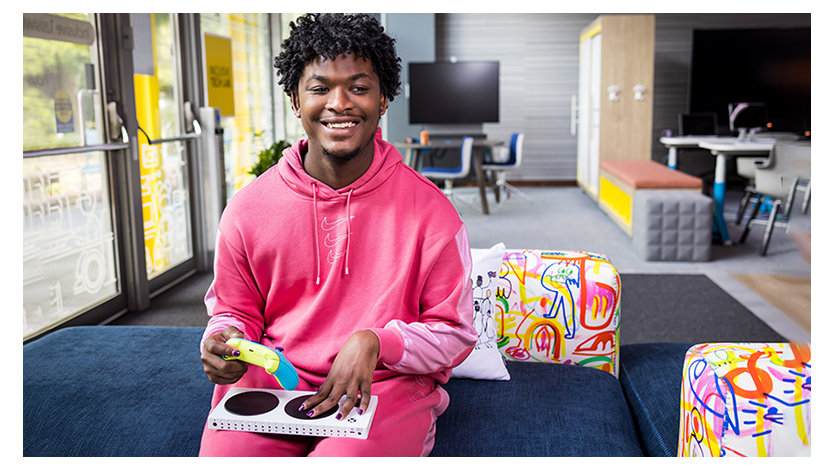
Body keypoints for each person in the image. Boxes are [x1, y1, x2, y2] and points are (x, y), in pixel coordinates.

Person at [198, 13, 477, 457]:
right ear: (295, 99)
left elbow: (455, 333)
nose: (339, 103)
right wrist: (224, 337)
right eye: (320, 87)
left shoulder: (432, 213)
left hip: (384, 387)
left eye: (360, 87)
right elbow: (234, 310)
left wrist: (375, 342)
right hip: (277, 383)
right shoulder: (248, 209)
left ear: (384, 99)